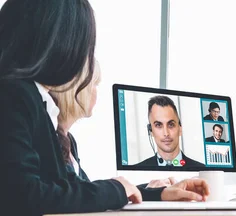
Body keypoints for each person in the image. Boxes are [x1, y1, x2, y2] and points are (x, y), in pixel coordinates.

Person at [0, 1, 209, 214]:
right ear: (60, 41)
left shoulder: (32, 100)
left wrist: (156, 193)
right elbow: (23, 196)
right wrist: (116, 188)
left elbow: (71, 191)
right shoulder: (16, 95)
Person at [51, 60, 178, 189]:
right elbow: (82, 194)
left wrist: (147, 189)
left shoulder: (68, 140)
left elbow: (87, 192)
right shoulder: (51, 139)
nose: (96, 92)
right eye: (95, 84)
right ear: (75, 88)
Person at [136, 96, 205, 167]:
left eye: (171, 125)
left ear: (180, 129)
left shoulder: (202, 169)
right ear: (151, 131)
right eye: (158, 125)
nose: (166, 133)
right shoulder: (136, 171)